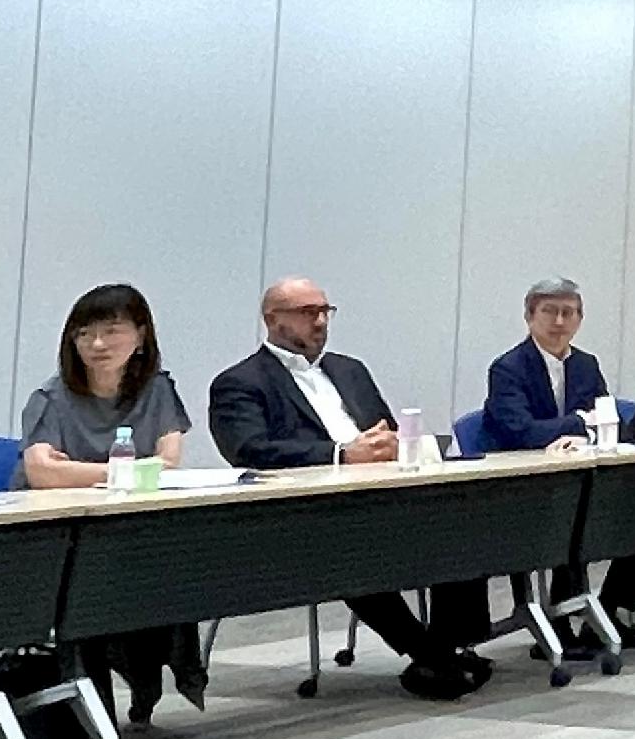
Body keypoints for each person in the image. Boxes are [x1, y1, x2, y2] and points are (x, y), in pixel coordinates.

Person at [207, 277, 489, 701]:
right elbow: (249, 449)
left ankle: (450, 648)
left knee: (461, 522)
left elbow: (384, 429)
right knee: (351, 548)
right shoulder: (240, 382)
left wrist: (393, 443)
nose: (319, 321)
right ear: (272, 319)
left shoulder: (350, 369)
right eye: (307, 313)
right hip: (307, 513)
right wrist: (341, 454)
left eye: (325, 311)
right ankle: (430, 654)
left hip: (382, 495)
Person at [15, 282, 206, 725]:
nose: (97, 344)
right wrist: (129, 471)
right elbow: (42, 473)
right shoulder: (51, 399)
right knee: (97, 588)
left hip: (131, 529)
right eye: (84, 333)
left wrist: (80, 470)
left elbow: (170, 462)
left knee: (174, 574)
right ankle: (96, 707)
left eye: (111, 330)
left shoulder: (156, 388)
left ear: (140, 336)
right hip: (60, 537)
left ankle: (147, 676)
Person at [484, 278, 635, 652]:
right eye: (549, 312)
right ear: (529, 317)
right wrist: (579, 422)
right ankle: (557, 624)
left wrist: (582, 431)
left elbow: (608, 418)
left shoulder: (587, 365)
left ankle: (612, 609)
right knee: (572, 517)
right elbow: (520, 431)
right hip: (526, 485)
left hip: (580, 476)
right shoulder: (507, 368)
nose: (559, 321)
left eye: (568, 313)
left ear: (579, 319)